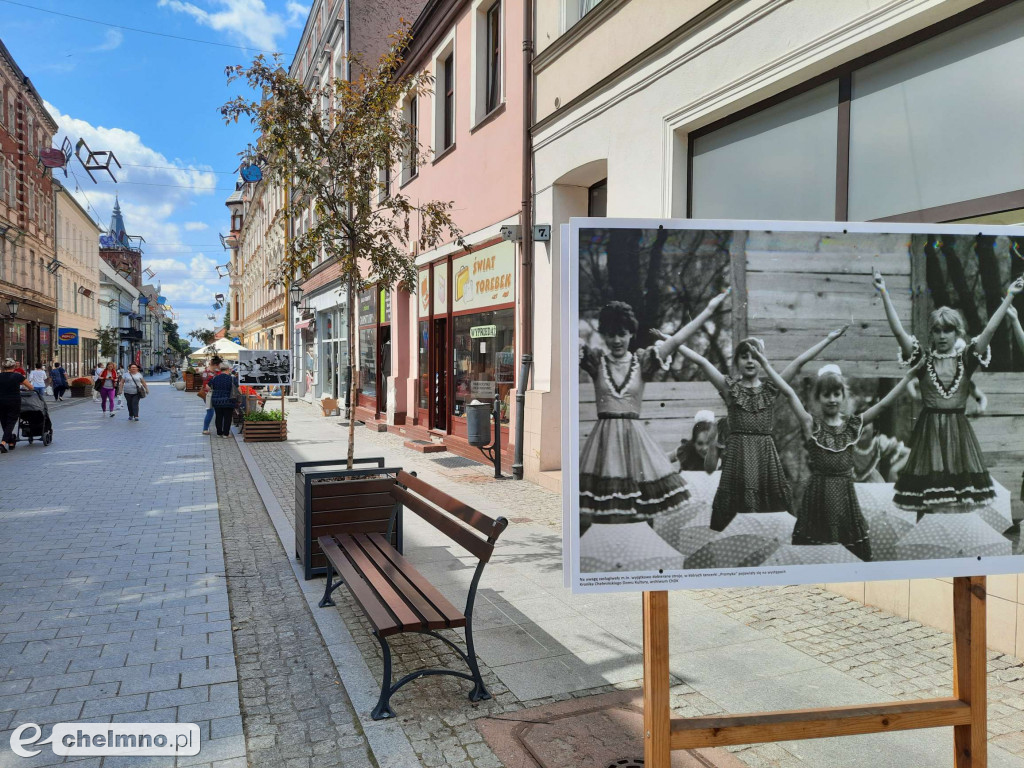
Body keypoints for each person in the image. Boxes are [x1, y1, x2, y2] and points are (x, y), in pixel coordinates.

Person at [873, 269, 1024, 513]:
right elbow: (899, 332)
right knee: (933, 499)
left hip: (959, 435)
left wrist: (1009, 296)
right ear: (931, 333)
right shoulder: (922, 360)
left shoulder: (967, 358)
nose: (942, 336)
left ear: (957, 332)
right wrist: (883, 293)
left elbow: (990, 331)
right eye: (937, 330)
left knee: (959, 500)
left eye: (948, 330)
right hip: (929, 434)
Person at [577, 292, 729, 528]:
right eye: (611, 334)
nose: (617, 340)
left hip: (635, 443)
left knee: (640, 507)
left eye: (622, 334)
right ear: (604, 335)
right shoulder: (596, 361)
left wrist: (708, 311)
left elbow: (677, 340)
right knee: (603, 511)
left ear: (631, 334)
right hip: (603, 445)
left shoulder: (644, 360)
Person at [678, 325, 847, 531]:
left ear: (762, 362)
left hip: (765, 458)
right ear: (737, 362)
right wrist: (673, 340)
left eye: (755, 356)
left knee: (771, 516)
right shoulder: (729, 388)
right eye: (744, 356)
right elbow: (702, 361)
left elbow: (800, 361)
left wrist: (828, 338)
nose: (750, 361)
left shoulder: (770, 388)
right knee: (736, 518)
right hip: (738, 460)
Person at [764, 357, 923, 561]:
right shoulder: (811, 424)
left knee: (848, 552)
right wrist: (766, 364)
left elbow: (883, 405)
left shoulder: (853, 425)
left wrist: (909, 376)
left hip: (845, 495)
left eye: (836, 394)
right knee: (817, 552)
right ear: (818, 397)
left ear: (843, 395)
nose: (832, 399)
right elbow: (788, 392)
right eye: (826, 394)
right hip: (818, 495)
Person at [0, 358, 32, 453]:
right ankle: (3, 443)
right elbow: (31, 387)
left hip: (1, 401)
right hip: (14, 402)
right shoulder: (18, 376)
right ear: (14, 366)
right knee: (10, 423)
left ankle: (11, 441)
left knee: (4, 422)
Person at [208, 361, 237, 438]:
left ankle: (219, 433)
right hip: (229, 400)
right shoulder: (232, 379)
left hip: (217, 400)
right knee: (227, 417)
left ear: (221, 369)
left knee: (218, 417)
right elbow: (238, 389)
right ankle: (226, 434)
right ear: (228, 369)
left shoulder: (215, 378)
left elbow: (208, 387)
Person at [199, 356, 222, 435]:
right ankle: (205, 429)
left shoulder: (217, 372)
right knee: (210, 411)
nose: (219, 367)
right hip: (208, 394)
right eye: (219, 365)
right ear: (215, 365)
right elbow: (206, 385)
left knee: (218, 411)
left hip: (216, 394)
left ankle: (219, 429)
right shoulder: (206, 373)